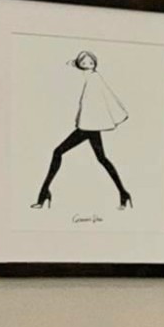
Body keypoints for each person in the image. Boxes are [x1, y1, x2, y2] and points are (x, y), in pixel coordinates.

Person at [32, 50, 133, 210]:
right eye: (84, 63)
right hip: (90, 126)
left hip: (88, 127)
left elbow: (95, 103)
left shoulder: (94, 79)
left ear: (94, 64)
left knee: (58, 152)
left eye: (90, 62)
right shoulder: (90, 77)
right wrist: (74, 64)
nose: (88, 65)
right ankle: (124, 194)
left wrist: (86, 121)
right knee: (102, 159)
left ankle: (44, 193)